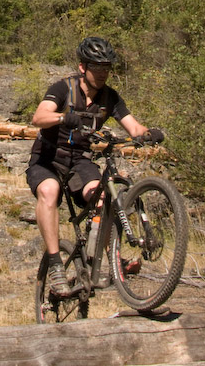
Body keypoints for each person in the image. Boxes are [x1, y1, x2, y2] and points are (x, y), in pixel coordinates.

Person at [26, 36, 164, 297]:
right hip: (48, 158)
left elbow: (134, 127)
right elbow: (39, 117)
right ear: (83, 67)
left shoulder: (110, 98)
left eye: (106, 68)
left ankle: (109, 259)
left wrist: (149, 134)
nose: (102, 73)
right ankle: (55, 265)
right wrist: (63, 117)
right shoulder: (63, 88)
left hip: (80, 160)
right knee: (49, 191)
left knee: (102, 196)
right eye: (97, 67)